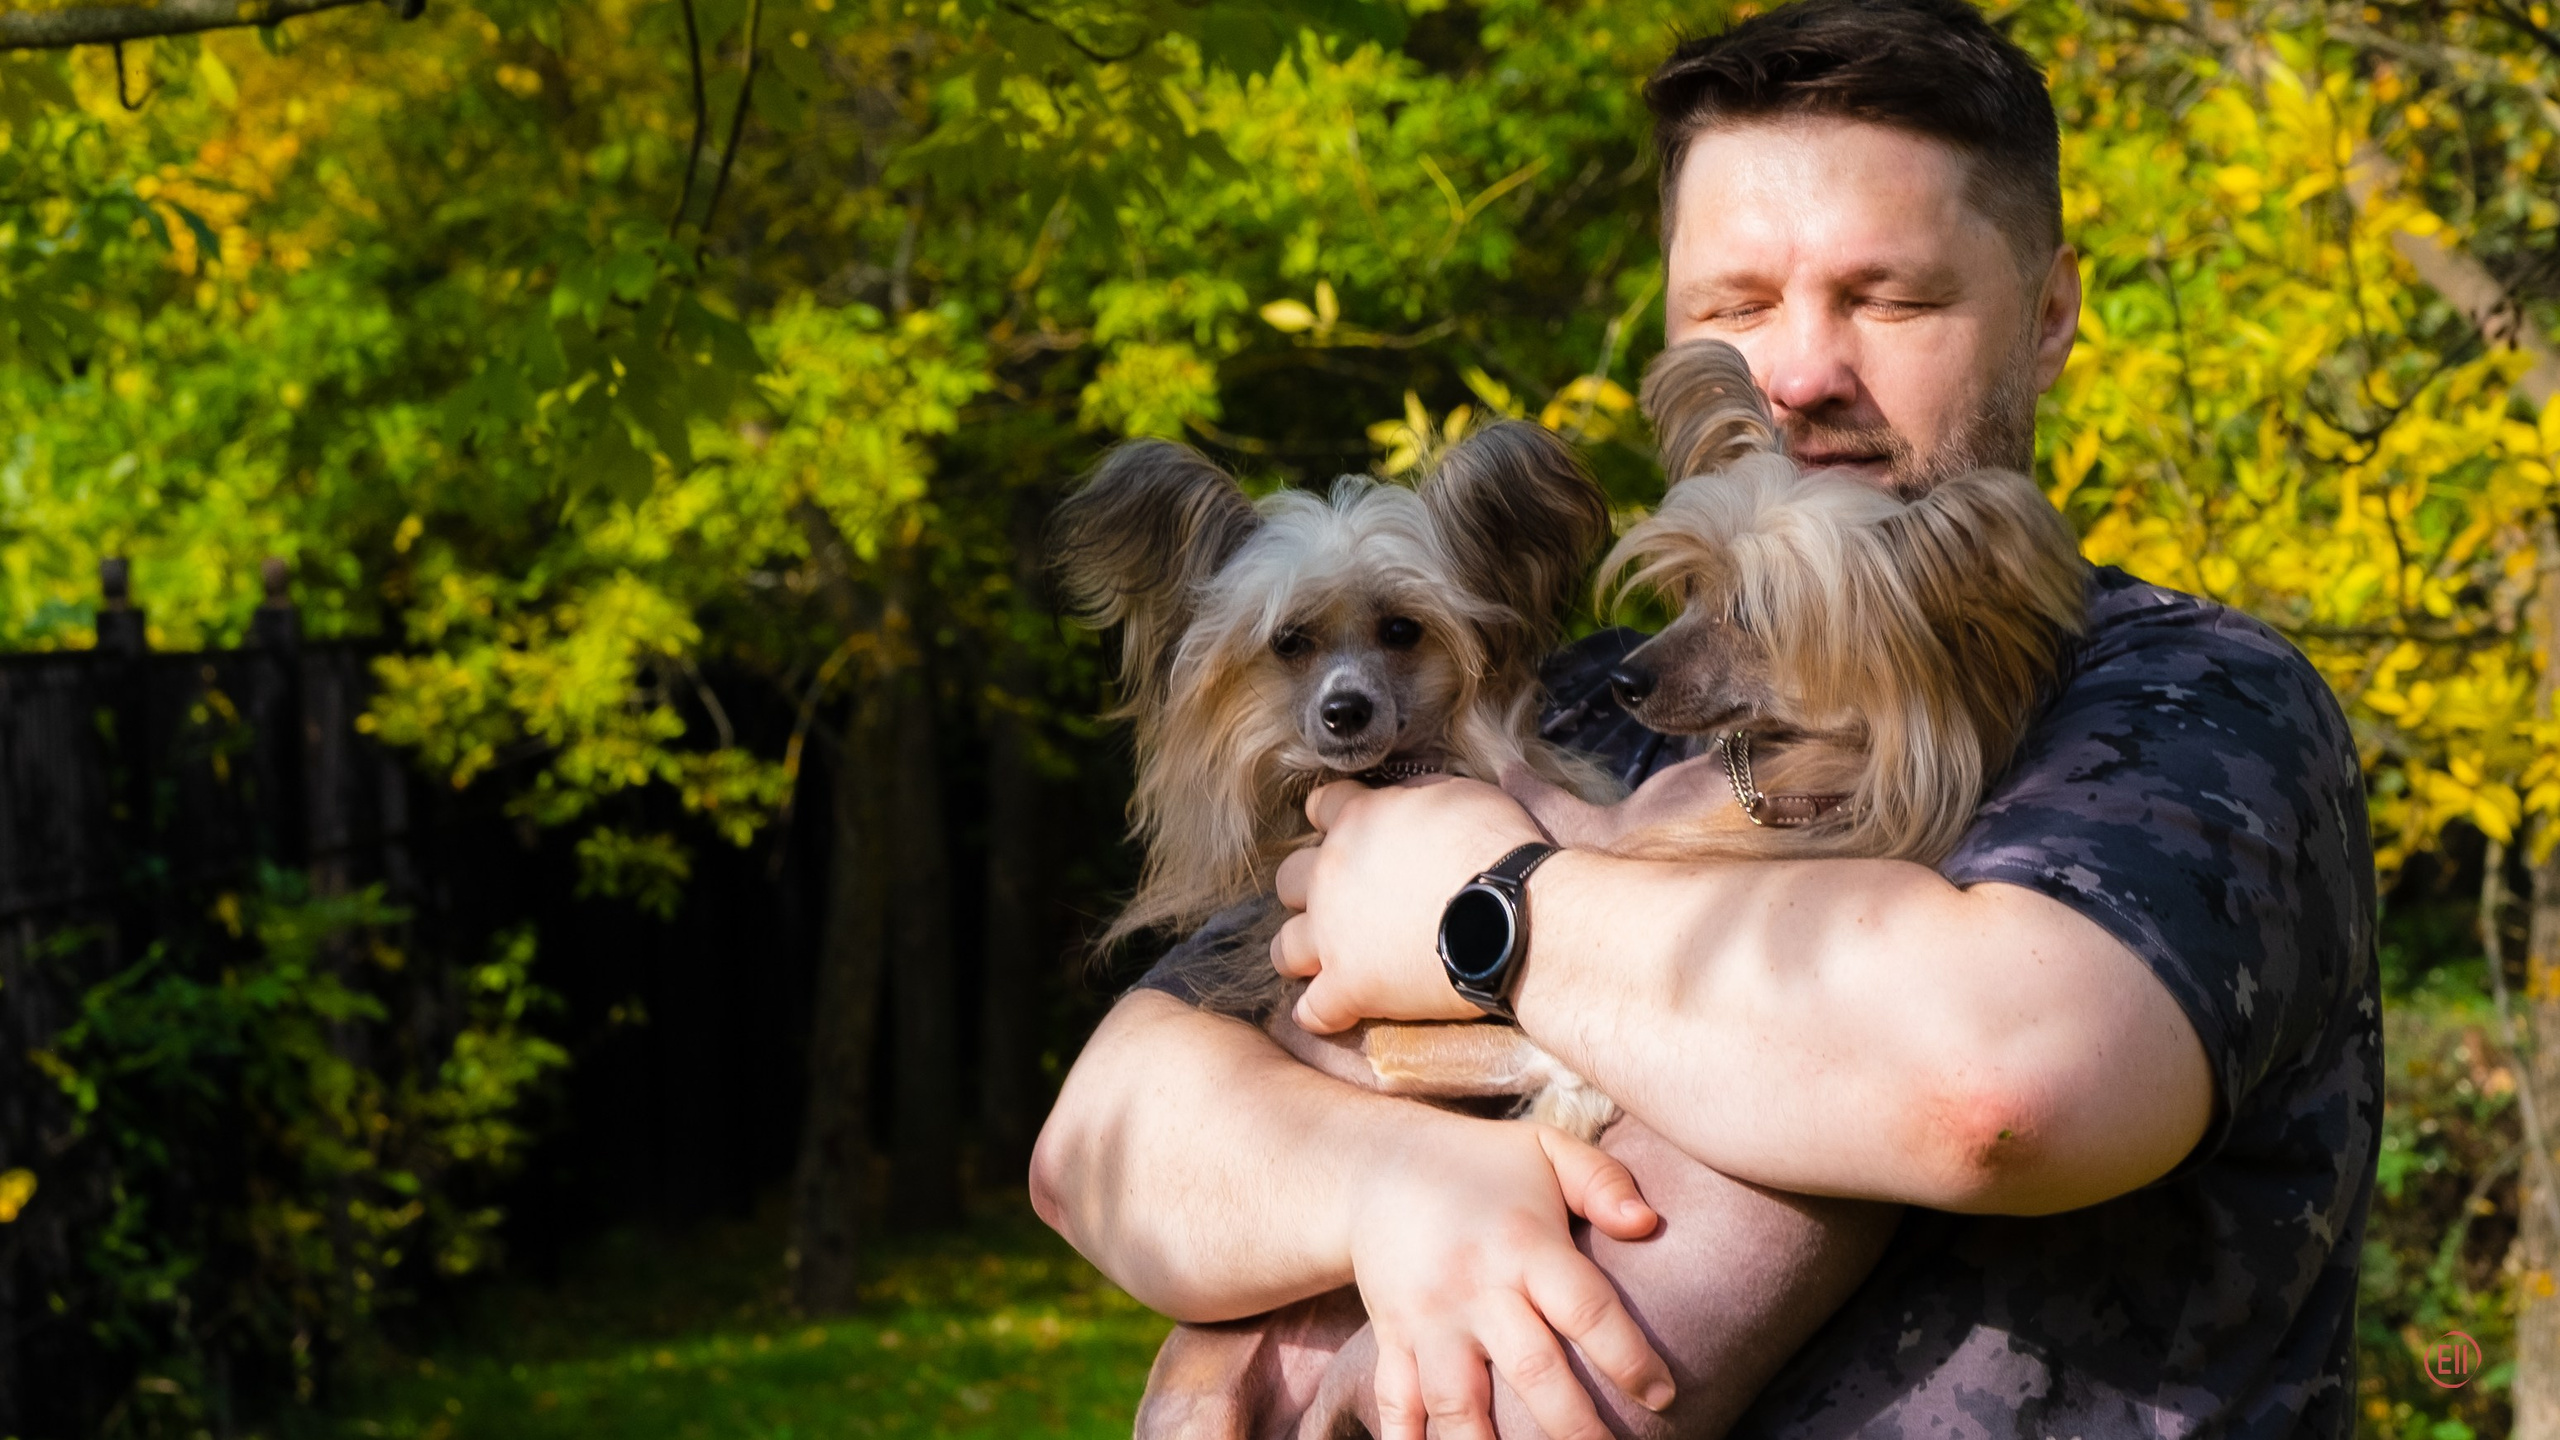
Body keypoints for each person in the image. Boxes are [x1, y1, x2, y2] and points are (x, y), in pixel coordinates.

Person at [1032, 3, 2381, 1438]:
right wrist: (1391, 1179)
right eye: (1737, 309)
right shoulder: (1571, 706)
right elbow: (1108, 1139)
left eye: (1891, 299)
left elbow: (1994, 1088)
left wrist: (1487, 908)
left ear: (2049, 317)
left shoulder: (2185, 706)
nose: (1798, 374)